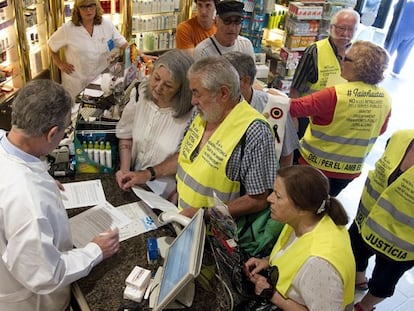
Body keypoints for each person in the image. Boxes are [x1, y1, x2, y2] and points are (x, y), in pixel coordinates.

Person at [0, 80, 119, 310]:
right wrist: (95, 251)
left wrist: (42, 178)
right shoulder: (28, 199)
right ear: (52, 133)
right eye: (66, 129)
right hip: (30, 301)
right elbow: (45, 274)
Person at [176, 55, 277, 221]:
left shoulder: (255, 131)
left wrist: (205, 214)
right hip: (183, 219)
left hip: (218, 236)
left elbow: (258, 200)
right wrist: (149, 173)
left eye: (197, 93)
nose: (193, 101)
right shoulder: (202, 112)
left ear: (223, 93)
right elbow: (188, 159)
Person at [242, 165, 355, 311]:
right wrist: (268, 261)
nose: (269, 198)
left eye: (278, 195)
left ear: (301, 208)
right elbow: (294, 253)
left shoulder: (319, 264)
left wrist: (271, 293)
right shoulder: (304, 219)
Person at [290, 40, 392, 196]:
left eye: (347, 59)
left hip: (315, 166)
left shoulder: (334, 95)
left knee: (301, 203)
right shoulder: (385, 98)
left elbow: (293, 108)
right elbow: (381, 130)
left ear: (360, 66)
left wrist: (267, 94)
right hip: (349, 172)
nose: (342, 61)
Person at [115, 49, 194, 199]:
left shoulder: (191, 115)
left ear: (181, 89)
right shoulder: (140, 94)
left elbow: (184, 158)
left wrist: (147, 175)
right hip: (135, 184)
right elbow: (126, 135)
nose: (158, 88)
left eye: (168, 85)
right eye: (156, 78)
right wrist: (124, 170)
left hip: (166, 195)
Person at [350, 129, 414, 311]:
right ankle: (359, 279)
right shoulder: (401, 137)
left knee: (383, 282)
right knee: (356, 253)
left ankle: (364, 306)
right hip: (366, 222)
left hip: (401, 246)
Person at [290, 8, 360, 157]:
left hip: (338, 122)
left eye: (351, 29)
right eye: (341, 28)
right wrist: (293, 118)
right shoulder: (315, 51)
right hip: (309, 119)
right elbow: (295, 88)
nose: (346, 34)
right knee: (303, 158)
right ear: (331, 27)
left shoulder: (358, 53)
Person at [223, 51, 299, 167]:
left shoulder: (276, 107)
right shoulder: (215, 104)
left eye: (225, 81)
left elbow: (287, 155)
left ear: (245, 81)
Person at [48, 0, 128, 99]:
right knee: (78, 112)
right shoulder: (68, 29)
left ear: (96, 6)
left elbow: (123, 43)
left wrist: (139, 55)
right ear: (77, 9)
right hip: (77, 84)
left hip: (101, 81)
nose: (88, 10)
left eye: (91, 5)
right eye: (83, 7)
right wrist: (60, 64)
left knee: (99, 109)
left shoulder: (106, 24)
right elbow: (51, 46)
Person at [384, 0, 414, 77]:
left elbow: (395, 8)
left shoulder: (406, 3)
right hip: (412, 32)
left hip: (399, 28)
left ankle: (381, 67)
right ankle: (396, 71)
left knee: (389, 49)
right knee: (404, 53)